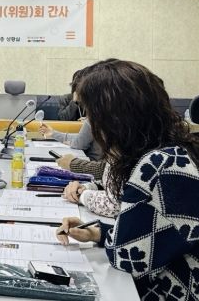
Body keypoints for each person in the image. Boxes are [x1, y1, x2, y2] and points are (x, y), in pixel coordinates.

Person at [56, 59, 199, 300]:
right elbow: (152, 236)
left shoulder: (157, 165)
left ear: (114, 117)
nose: (91, 124)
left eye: (92, 114)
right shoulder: (171, 153)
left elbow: (127, 257)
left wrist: (106, 235)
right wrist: (97, 233)